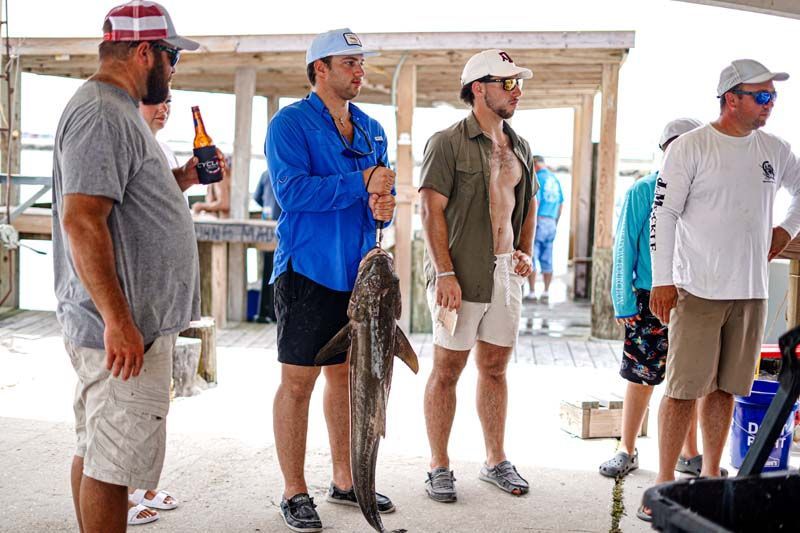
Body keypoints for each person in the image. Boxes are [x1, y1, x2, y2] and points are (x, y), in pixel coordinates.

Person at [51, 2, 200, 532]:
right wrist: (119, 320)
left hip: (126, 322)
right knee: (112, 469)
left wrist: (180, 179)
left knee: (97, 452)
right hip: (121, 329)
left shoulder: (116, 110)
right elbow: (83, 221)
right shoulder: (102, 112)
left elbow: (125, 203)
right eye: (172, 57)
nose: (174, 69)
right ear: (145, 52)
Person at [643, 59, 800, 521]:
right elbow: (663, 214)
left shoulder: (775, 148)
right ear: (732, 98)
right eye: (763, 96)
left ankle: (712, 478)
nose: (771, 104)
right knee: (682, 390)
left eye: (773, 96)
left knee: (728, 388)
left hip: (750, 291)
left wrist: (785, 230)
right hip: (696, 288)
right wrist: (662, 280)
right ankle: (662, 485)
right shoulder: (691, 147)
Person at [265, 28, 396, 533]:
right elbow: (293, 194)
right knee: (298, 383)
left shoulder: (372, 128)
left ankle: (345, 481)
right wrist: (360, 183)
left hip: (361, 275)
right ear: (319, 68)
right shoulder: (289, 124)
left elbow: (380, 202)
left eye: (361, 63)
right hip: (307, 271)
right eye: (349, 63)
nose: (359, 71)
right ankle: (293, 491)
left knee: (346, 380)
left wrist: (382, 204)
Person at [419, 49, 537, 503]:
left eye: (517, 83)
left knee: (495, 369)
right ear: (478, 88)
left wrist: (524, 252)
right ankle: (439, 465)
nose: (516, 91)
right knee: (447, 369)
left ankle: (495, 460)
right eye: (507, 83)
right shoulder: (446, 142)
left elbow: (528, 206)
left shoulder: (520, 146)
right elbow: (430, 211)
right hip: (459, 275)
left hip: (505, 274)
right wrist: (444, 272)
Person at [599, 118, 703, 481]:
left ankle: (689, 453)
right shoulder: (642, 189)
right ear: (664, 150)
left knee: (689, 380)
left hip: (694, 298)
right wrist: (623, 301)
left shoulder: (703, 191)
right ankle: (626, 448)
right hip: (646, 298)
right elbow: (624, 246)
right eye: (676, 145)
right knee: (641, 376)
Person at [525, 155, 563, 304]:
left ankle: (532, 292)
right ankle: (546, 291)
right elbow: (561, 204)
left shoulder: (537, 178)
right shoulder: (555, 179)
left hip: (538, 220)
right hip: (551, 222)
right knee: (548, 258)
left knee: (532, 256)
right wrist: (555, 221)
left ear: (534, 165)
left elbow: (536, 202)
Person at [254, 169, 282, 323]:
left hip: (268, 224)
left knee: (267, 271)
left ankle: (265, 312)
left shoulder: (265, 174)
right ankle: (272, 313)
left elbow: (257, 197)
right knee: (277, 272)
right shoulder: (284, 173)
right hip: (281, 225)